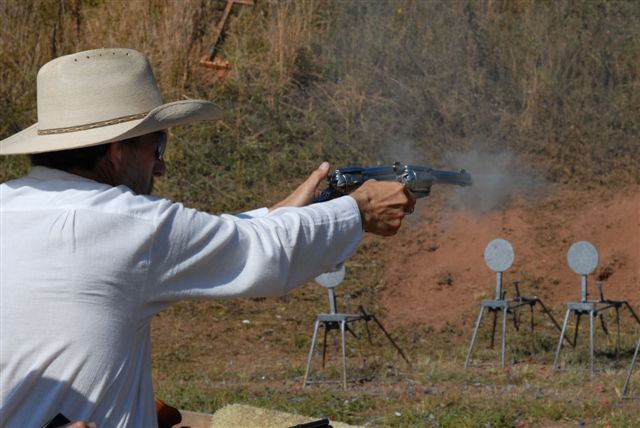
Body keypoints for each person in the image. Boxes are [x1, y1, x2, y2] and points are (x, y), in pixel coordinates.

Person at [0, 48, 415, 427]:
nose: (159, 168)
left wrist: (277, 213)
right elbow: (264, 255)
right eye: (156, 146)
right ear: (115, 152)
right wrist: (359, 211)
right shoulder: (130, 225)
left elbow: (213, 239)